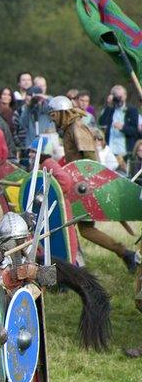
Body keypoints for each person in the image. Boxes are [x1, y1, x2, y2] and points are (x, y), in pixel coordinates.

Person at [47, 95, 142, 270]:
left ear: (61, 113)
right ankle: (122, 254)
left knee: (73, 226)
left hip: (85, 187)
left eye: (53, 115)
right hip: (77, 186)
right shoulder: (70, 129)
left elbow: (91, 163)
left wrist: (89, 188)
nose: (52, 120)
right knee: (81, 229)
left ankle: (80, 265)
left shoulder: (77, 128)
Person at [98, 85, 139, 172]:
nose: (119, 99)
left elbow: (135, 132)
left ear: (125, 96)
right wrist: (109, 105)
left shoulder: (132, 110)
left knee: (126, 177)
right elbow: (102, 123)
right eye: (116, 96)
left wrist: (123, 127)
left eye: (120, 96)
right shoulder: (109, 110)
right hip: (110, 153)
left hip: (125, 153)